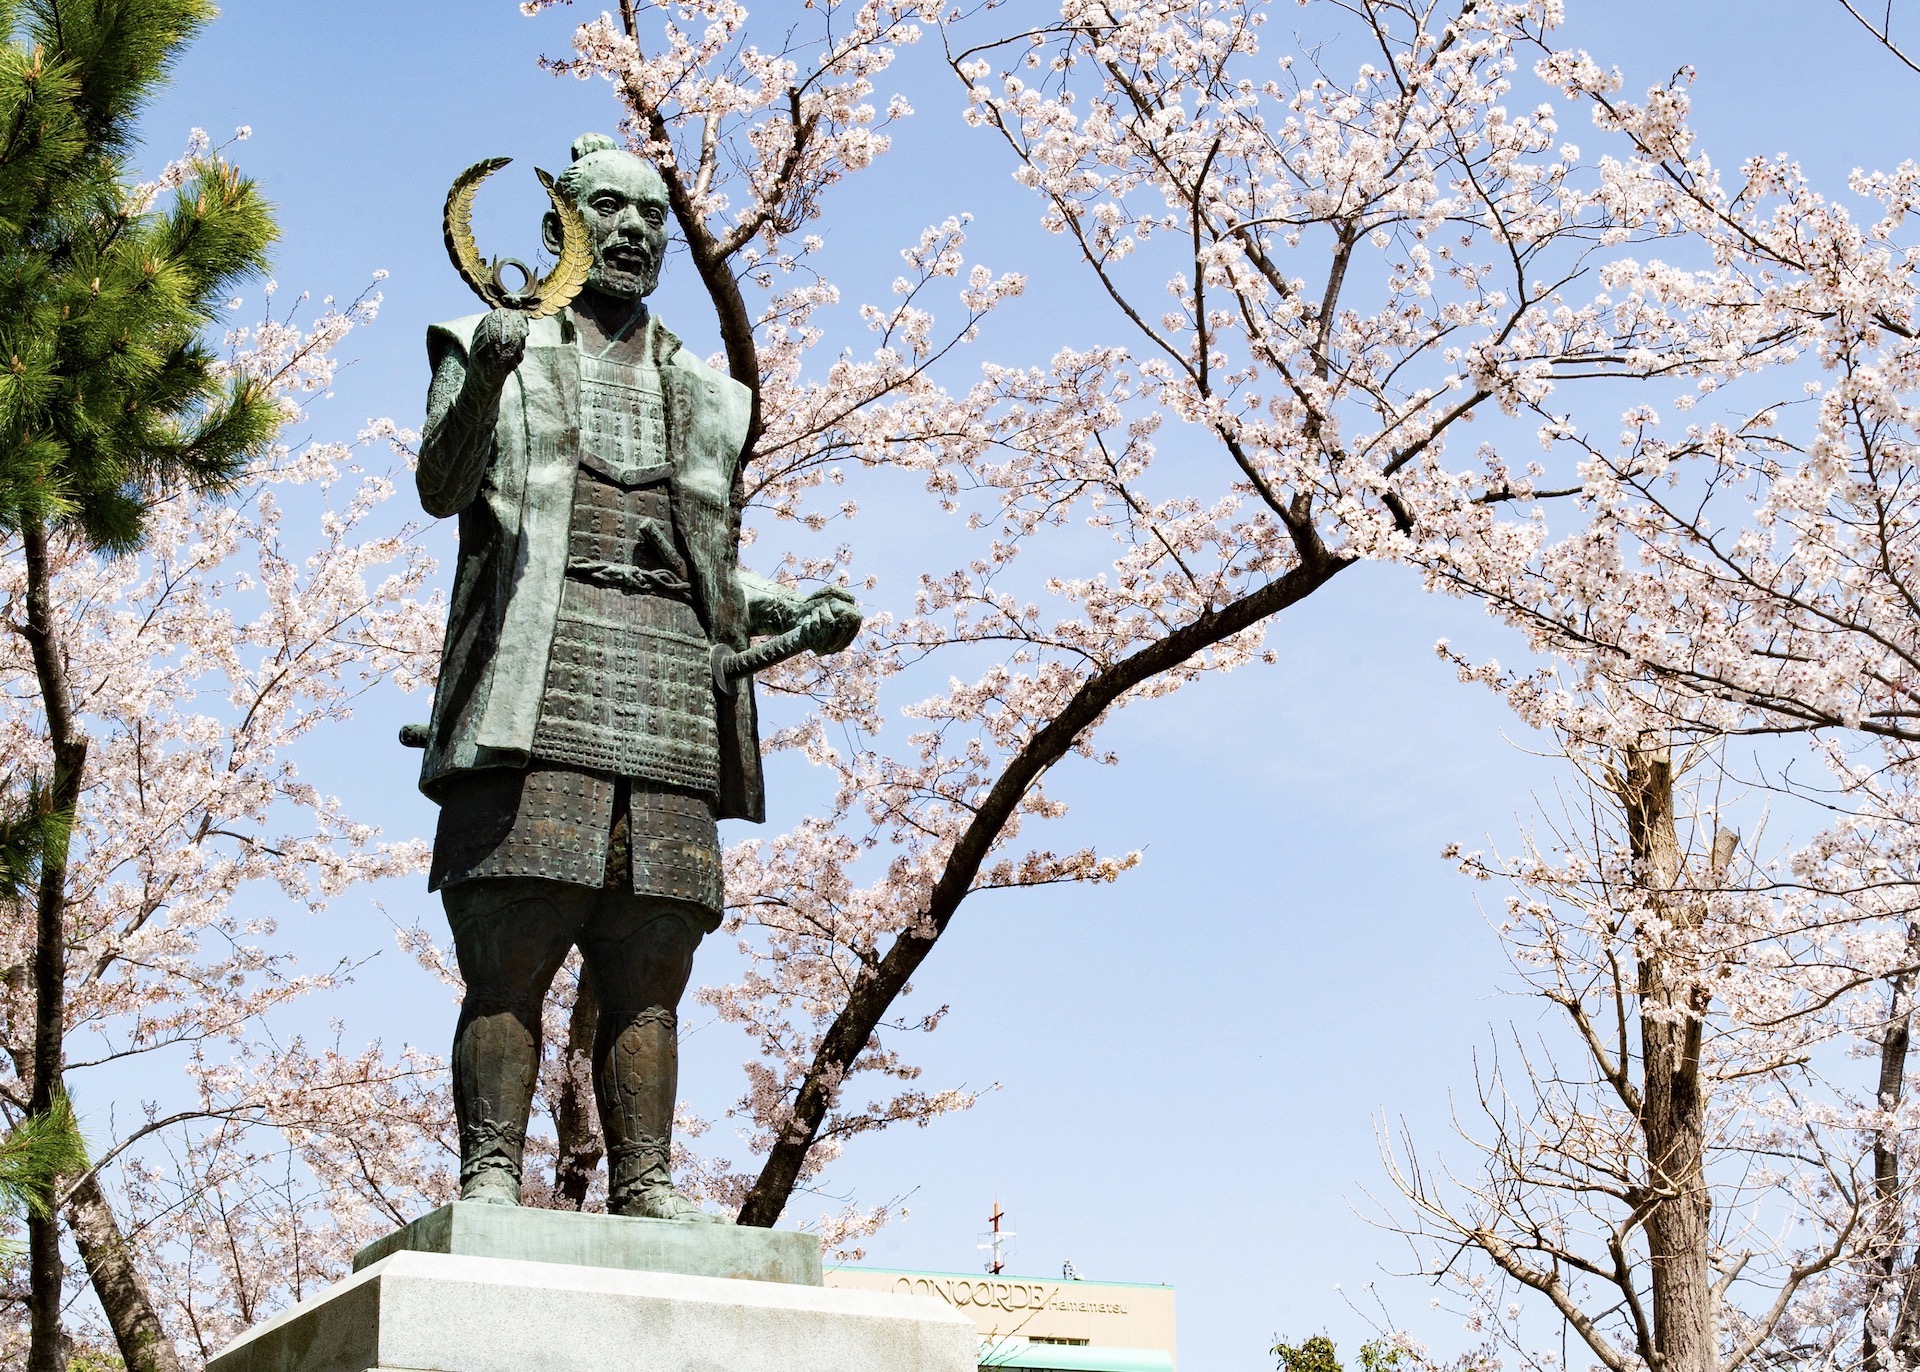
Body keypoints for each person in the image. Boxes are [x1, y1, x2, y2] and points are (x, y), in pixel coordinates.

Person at [410, 132, 860, 1221]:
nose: (632, 232)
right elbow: (440, 486)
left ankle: (647, 1181)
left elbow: (703, 566)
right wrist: (492, 377)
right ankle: (487, 1176)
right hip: (540, 676)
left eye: (652, 216)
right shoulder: (488, 342)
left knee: (652, 957)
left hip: (668, 685)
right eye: (609, 208)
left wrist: (791, 608)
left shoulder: (705, 395)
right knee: (511, 945)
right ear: (560, 220)